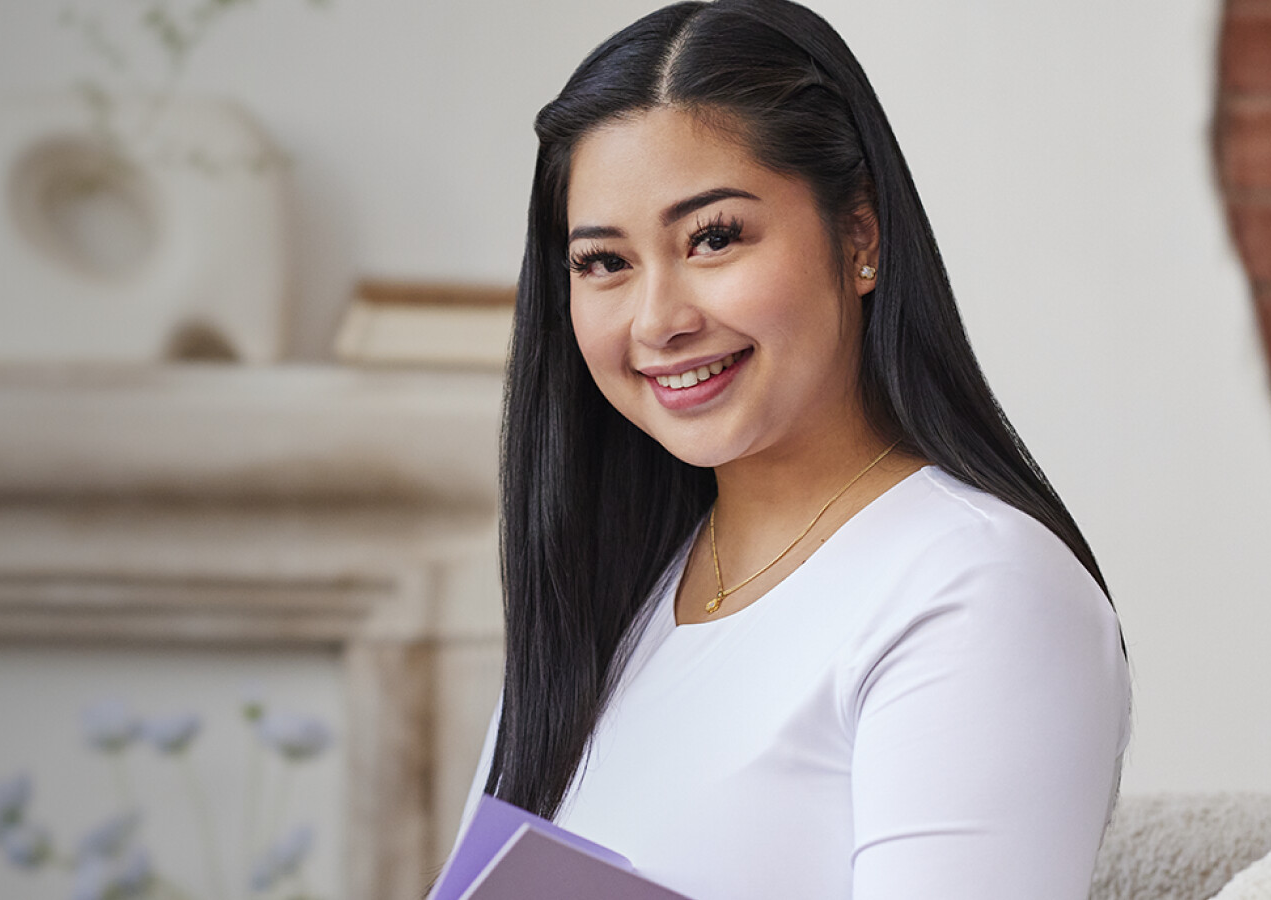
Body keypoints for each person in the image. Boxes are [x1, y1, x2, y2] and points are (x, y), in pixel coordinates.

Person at [449, 1, 1130, 898]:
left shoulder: (977, 588)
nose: (659, 320)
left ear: (861, 236)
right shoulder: (606, 596)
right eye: (604, 262)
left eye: (714, 238)